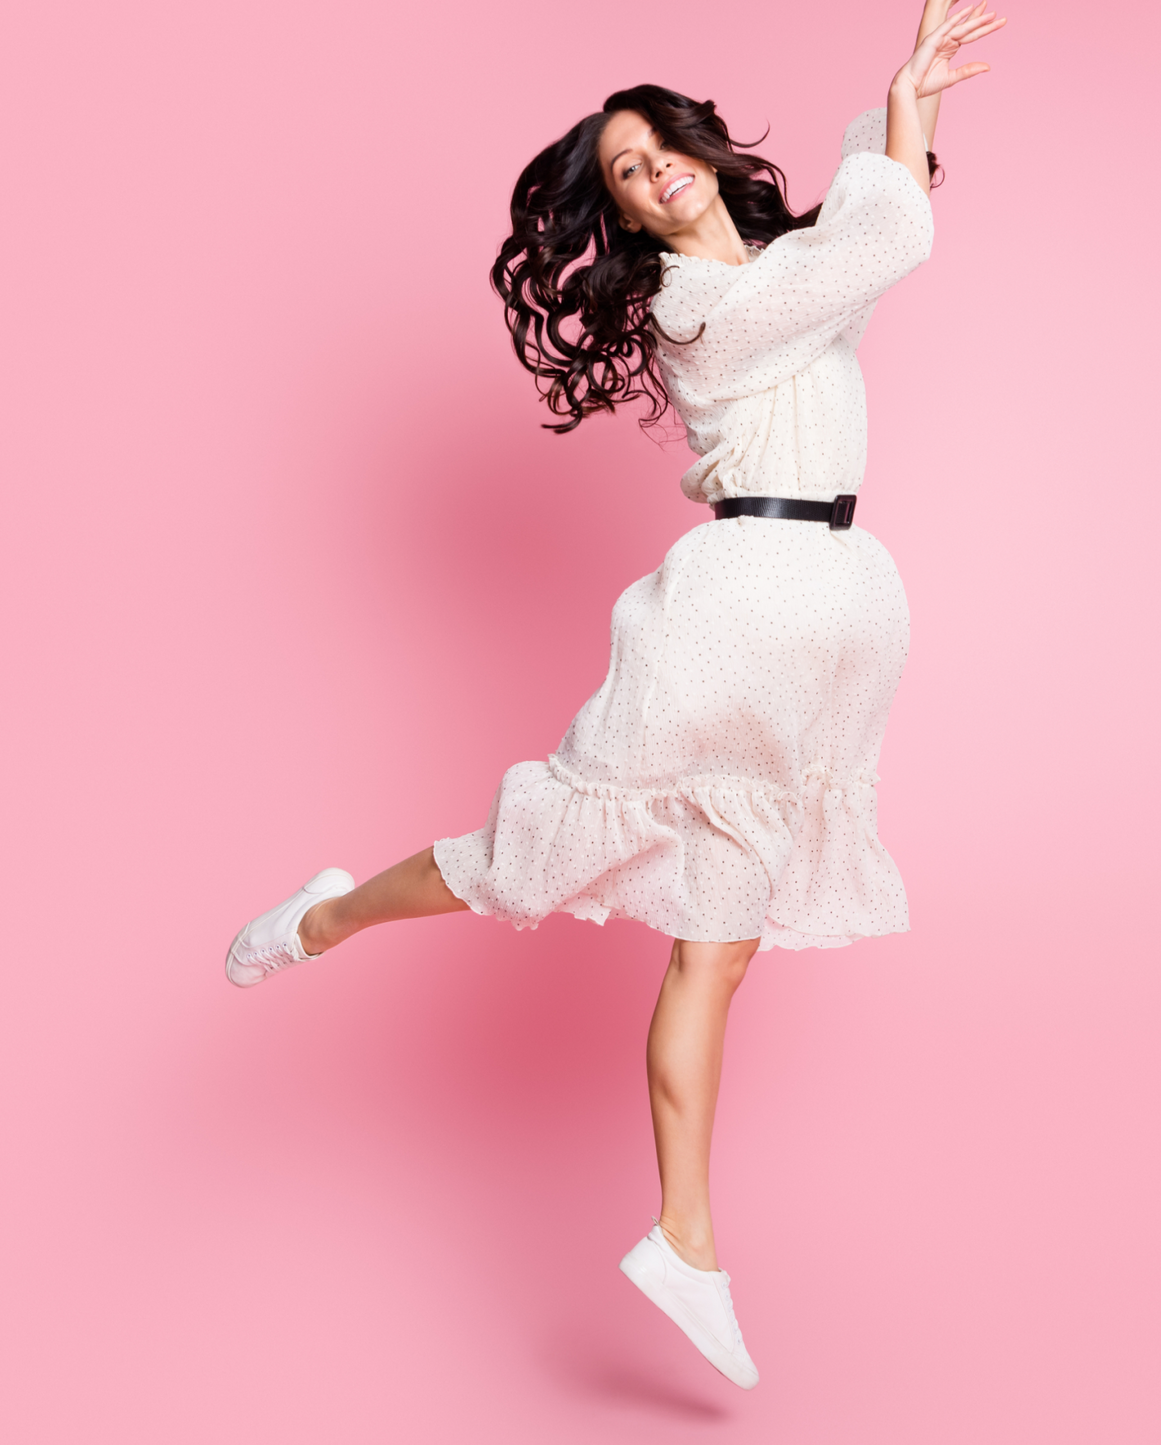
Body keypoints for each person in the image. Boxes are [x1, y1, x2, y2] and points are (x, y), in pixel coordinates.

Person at [224, 0, 1005, 1391]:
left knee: (720, 941)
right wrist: (899, 101)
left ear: (704, 151)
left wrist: (919, 104)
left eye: (662, 151)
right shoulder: (698, 306)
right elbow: (885, 235)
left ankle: (684, 1244)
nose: (652, 176)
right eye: (629, 172)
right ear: (630, 218)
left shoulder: (782, 272)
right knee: (530, 866)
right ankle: (328, 913)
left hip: (826, 617)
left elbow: (866, 242)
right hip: (729, 619)